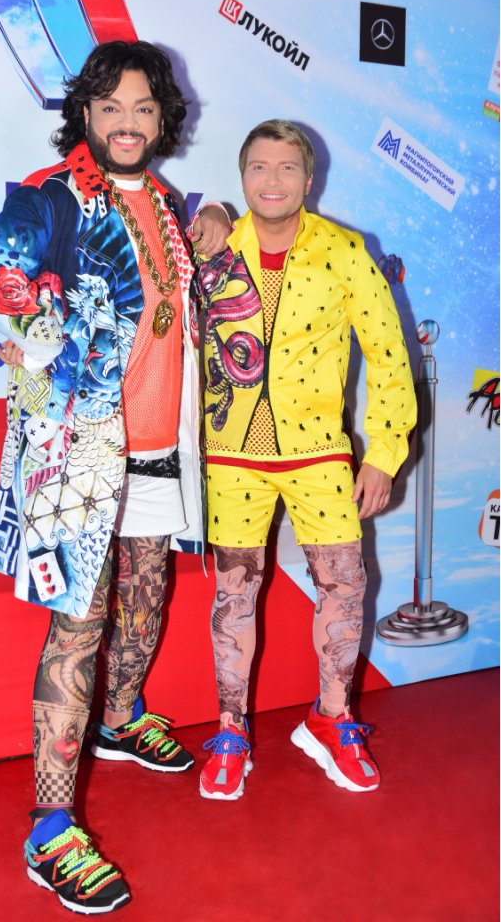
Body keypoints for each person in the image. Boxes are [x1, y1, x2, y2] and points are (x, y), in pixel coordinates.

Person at [0, 40, 228, 914]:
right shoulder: (52, 195)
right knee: (80, 623)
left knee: (145, 597)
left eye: (143, 108)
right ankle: (49, 828)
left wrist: (218, 218)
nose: (126, 123)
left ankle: (120, 719)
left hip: (158, 445)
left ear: (163, 119)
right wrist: (51, 335)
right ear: (84, 114)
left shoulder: (169, 202)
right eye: (110, 107)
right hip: (81, 448)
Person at [193, 119, 417, 802]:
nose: (272, 181)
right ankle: (230, 732)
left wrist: (383, 455)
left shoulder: (345, 251)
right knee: (234, 595)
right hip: (231, 453)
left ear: (309, 179)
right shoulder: (208, 248)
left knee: (344, 587)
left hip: (319, 452)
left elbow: (389, 356)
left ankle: (330, 718)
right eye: (259, 167)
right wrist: (209, 212)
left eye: (287, 168)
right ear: (241, 177)